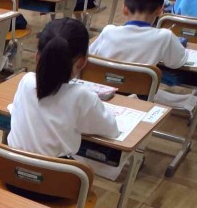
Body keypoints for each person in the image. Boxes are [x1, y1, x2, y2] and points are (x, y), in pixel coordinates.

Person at [8, 18, 119, 158]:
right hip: (56, 171)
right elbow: (111, 130)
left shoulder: (26, 81)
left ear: (37, 57)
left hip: (11, 168)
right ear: (82, 62)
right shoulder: (82, 96)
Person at [90, 0, 197, 111]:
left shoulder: (108, 31)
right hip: (141, 96)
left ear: (124, 9)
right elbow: (177, 63)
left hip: (104, 94)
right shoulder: (164, 36)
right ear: (160, 10)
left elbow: (89, 56)